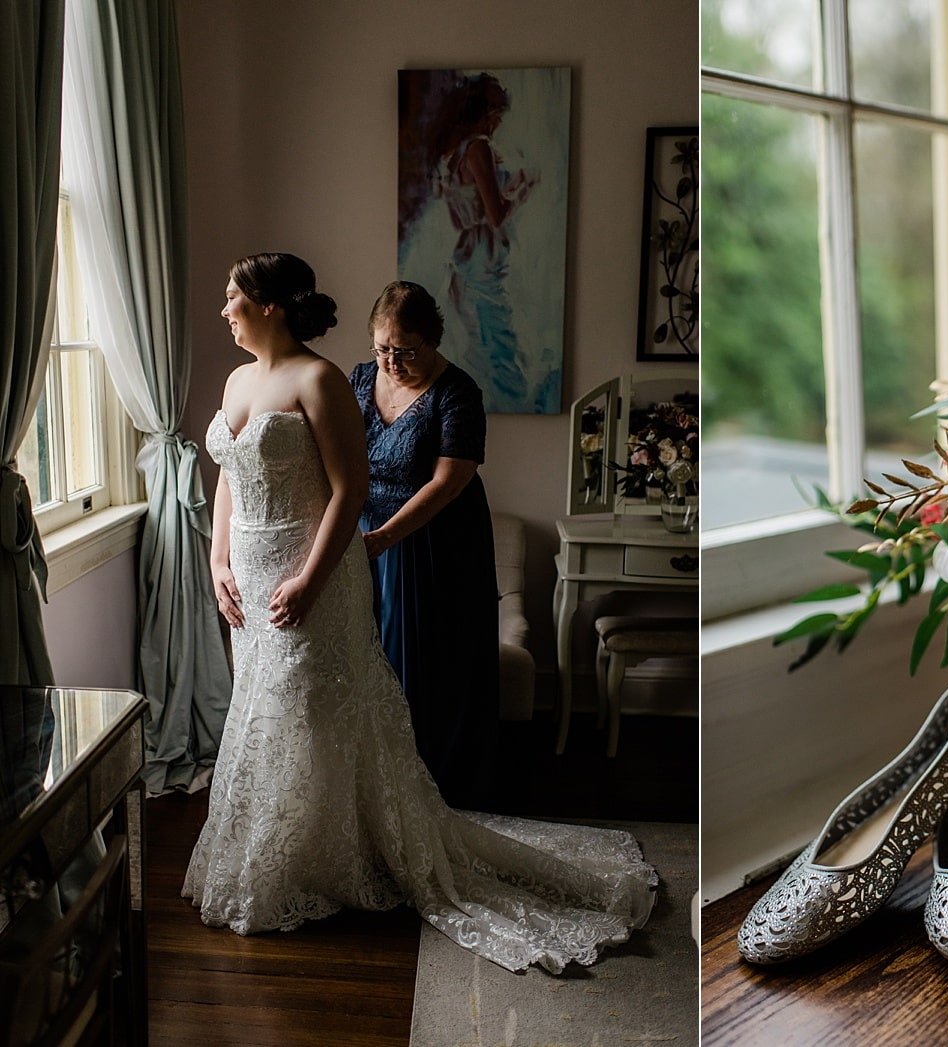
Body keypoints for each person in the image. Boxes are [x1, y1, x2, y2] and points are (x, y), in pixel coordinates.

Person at [185, 253, 654, 973]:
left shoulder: (324, 381)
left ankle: (343, 848)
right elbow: (231, 476)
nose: (223, 309)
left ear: (270, 305)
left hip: (329, 564)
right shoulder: (244, 379)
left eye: (231, 297)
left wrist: (315, 576)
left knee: (317, 702)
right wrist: (217, 562)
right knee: (262, 708)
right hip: (249, 574)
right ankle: (286, 846)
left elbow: (351, 488)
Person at [352, 280, 498, 809]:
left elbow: (449, 481)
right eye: (382, 348)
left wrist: (388, 536)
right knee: (366, 655)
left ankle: (432, 789)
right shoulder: (360, 379)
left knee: (428, 661)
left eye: (405, 350)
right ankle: (376, 783)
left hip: (435, 540)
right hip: (365, 532)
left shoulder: (458, 392)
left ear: (432, 340)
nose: (391, 362)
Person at [430, 73, 540, 411]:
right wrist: (521, 191)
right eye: (496, 114)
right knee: (496, 337)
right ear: (484, 112)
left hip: (468, 250)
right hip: (482, 254)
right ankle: (510, 400)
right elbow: (496, 214)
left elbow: (464, 208)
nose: (498, 122)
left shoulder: (454, 152)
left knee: (482, 339)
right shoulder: (479, 148)